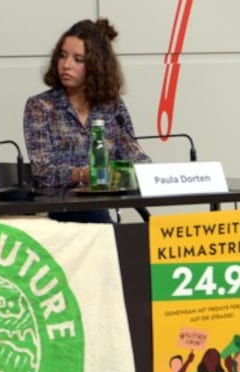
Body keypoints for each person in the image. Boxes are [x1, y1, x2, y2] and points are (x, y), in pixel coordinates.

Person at [23, 19, 151, 223]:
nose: (66, 65)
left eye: (78, 59)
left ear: (96, 66)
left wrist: (128, 172)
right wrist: (89, 175)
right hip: (57, 216)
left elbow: (137, 157)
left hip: (98, 211)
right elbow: (44, 173)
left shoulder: (111, 106)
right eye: (63, 56)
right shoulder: (41, 107)